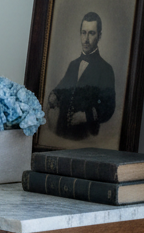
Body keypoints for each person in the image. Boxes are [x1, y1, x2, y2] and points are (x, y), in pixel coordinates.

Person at [47, 11, 116, 140]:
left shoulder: (105, 69)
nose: (86, 39)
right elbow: (63, 87)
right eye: (83, 33)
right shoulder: (73, 65)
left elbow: (109, 107)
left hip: (86, 137)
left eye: (91, 33)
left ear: (99, 36)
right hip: (61, 133)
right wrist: (54, 95)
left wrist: (86, 116)